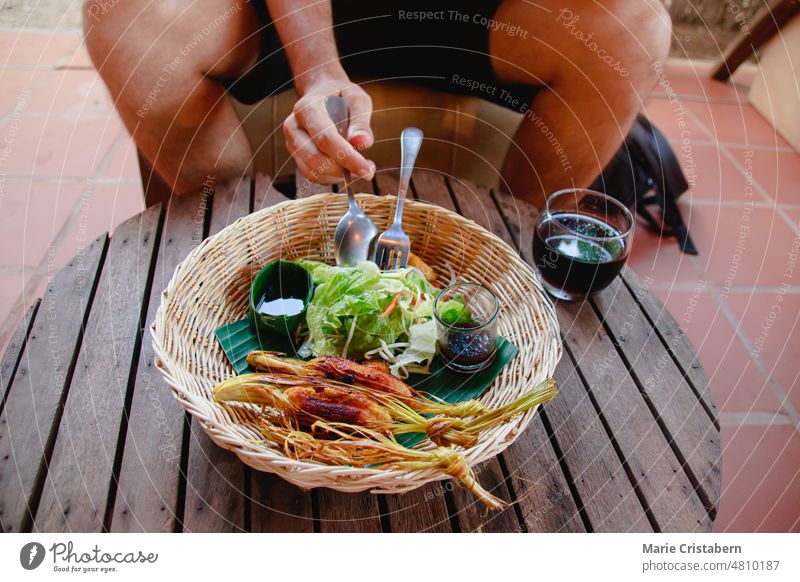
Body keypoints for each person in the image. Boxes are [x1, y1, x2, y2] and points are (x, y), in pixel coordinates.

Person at [84, 0, 671, 208]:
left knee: (636, 24)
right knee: (127, 18)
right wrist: (318, 70)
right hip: (295, 15)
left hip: (473, 21)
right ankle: (244, 246)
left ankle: (504, 260)